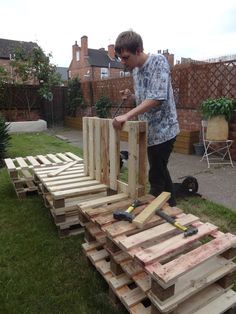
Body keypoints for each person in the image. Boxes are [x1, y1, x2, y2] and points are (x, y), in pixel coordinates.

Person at [112, 30, 180, 206]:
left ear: (138, 50)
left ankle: (156, 203)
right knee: (160, 170)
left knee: (156, 174)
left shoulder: (158, 62)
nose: (123, 62)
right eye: (120, 57)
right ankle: (171, 205)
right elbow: (145, 99)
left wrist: (127, 115)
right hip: (149, 131)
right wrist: (132, 96)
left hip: (165, 130)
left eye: (125, 57)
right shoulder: (135, 70)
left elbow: (157, 98)